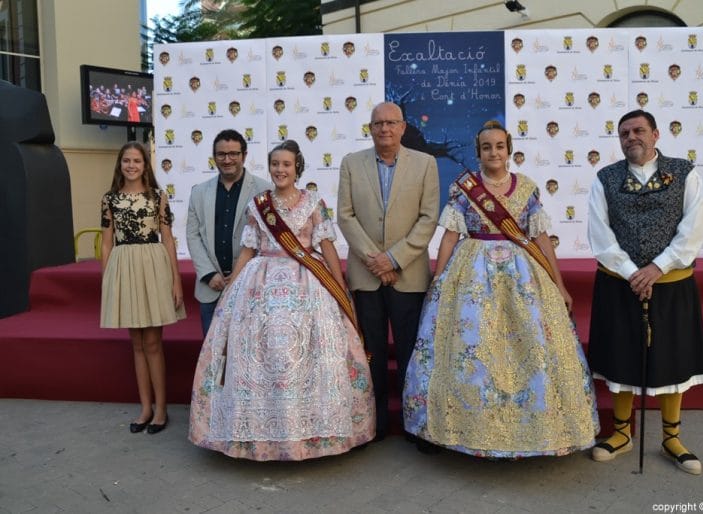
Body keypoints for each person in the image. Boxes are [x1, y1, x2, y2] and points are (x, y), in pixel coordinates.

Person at [402, 120, 599, 457]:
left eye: (499, 146)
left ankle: (537, 429)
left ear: (509, 150)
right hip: (472, 274)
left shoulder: (526, 188)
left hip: (523, 276)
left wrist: (559, 284)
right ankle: (459, 429)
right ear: (478, 153)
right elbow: (451, 235)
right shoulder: (464, 188)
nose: (493, 152)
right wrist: (438, 279)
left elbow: (539, 238)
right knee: (472, 347)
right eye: (486, 147)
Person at [189, 140, 375, 460]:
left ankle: (315, 432)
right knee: (261, 356)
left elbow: (326, 245)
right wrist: (233, 284)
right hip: (259, 284)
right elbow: (248, 248)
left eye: (286, 164)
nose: (280, 170)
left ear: (297, 167)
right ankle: (257, 433)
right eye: (275, 164)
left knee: (309, 354)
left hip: (308, 284)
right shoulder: (258, 204)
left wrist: (339, 284)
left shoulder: (314, 203)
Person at [587, 110, 703, 475]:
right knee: (621, 357)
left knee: (673, 358)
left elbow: (693, 227)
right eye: (624, 133)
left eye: (639, 130)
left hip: (671, 284)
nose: (631, 138)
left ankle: (672, 437)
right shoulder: (604, 178)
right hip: (618, 283)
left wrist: (657, 268)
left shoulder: (685, 173)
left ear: (655, 134)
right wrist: (632, 272)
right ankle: (622, 433)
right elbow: (600, 233)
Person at [337, 101, 440, 441]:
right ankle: (375, 424)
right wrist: (375, 261)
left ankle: (416, 426)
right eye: (378, 123)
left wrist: (393, 259)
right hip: (366, 277)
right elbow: (346, 216)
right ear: (370, 128)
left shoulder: (426, 165)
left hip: (408, 276)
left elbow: (428, 218)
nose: (385, 129)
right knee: (372, 354)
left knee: (412, 353)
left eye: (391, 123)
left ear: (403, 127)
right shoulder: (351, 164)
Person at [100, 142, 185, 434]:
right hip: (124, 266)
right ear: (120, 164)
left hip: (153, 264)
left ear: (145, 165)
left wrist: (175, 280)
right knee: (136, 343)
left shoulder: (157, 197)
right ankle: (145, 407)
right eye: (127, 160)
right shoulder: (109, 199)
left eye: (137, 160)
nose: (132, 165)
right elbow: (107, 241)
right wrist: (108, 280)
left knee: (152, 343)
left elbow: (169, 239)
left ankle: (161, 409)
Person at [187, 129, 270, 337]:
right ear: (214, 157)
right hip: (211, 287)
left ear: (244, 155)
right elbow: (193, 235)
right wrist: (208, 274)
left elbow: (268, 239)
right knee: (212, 358)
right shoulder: (198, 192)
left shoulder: (264, 190)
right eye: (221, 154)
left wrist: (242, 273)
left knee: (247, 355)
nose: (227, 159)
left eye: (234, 153)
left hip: (250, 286)